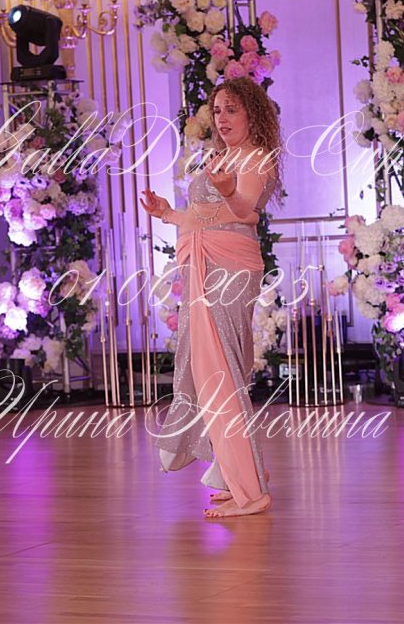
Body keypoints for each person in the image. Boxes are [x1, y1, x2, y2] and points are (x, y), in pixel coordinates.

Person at [139, 77, 281, 518]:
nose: (222, 118)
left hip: (228, 269)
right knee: (211, 369)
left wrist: (228, 191)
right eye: (217, 110)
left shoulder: (256, 158)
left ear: (252, 113)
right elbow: (204, 217)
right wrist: (166, 213)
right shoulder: (221, 158)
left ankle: (250, 491)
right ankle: (237, 474)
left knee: (220, 371)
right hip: (205, 265)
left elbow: (244, 211)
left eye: (231, 109)